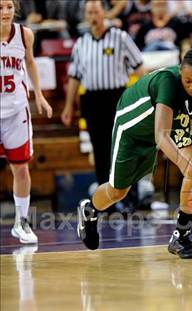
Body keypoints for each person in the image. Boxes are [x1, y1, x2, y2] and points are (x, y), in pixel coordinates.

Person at [76, 40, 192, 257]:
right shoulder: (168, 82)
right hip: (134, 128)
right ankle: (90, 210)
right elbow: (161, 136)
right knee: (118, 191)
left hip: (170, 124)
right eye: (188, 81)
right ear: (180, 72)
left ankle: (181, 236)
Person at [61, 0, 144, 196]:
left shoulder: (120, 38)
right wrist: (68, 107)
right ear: (85, 16)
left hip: (117, 98)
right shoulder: (81, 43)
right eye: (89, 13)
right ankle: (105, 198)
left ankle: (131, 195)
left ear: (103, 13)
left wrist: (148, 96)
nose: (93, 17)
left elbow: (139, 67)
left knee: (123, 147)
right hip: (92, 100)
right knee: (99, 150)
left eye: (96, 12)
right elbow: (74, 77)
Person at [0, 0, 53, 243]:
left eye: (9, 6)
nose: (6, 12)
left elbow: (30, 62)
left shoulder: (24, 34)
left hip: (16, 110)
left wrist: (39, 95)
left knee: (20, 168)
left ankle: (21, 222)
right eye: (0, 7)